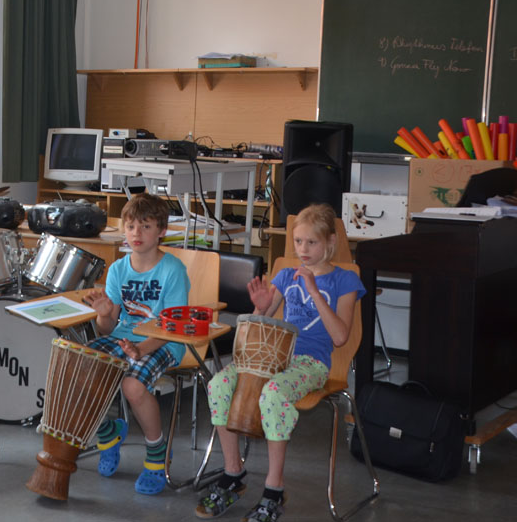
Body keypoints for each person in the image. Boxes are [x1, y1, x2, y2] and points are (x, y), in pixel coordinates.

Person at [194, 203, 363, 521]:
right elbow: (257, 327)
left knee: (273, 394)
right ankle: (233, 473)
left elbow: (340, 337)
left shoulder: (345, 281)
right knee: (218, 384)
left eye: (311, 242)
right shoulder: (286, 275)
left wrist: (314, 291)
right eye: (298, 241)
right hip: (273, 356)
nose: (303, 249)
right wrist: (260, 307)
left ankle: (274, 489)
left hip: (311, 364)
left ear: (330, 242)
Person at [81, 192, 190, 496]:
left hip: (164, 342)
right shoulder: (118, 269)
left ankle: (157, 452)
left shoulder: (173, 270)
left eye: (146, 226)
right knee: (78, 366)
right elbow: (107, 328)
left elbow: (172, 328)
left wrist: (140, 350)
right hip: (123, 338)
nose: (136, 233)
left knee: (132, 386)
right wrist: (104, 314)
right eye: (130, 226)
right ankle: (108, 433)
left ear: (162, 231)